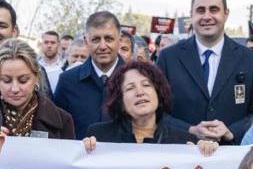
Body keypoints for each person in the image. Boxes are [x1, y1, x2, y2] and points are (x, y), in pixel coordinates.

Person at [157, 0, 253, 144]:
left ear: (226, 14)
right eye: (200, 10)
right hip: (183, 156)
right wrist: (190, 130)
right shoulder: (168, 58)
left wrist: (231, 132)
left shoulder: (250, 59)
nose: (207, 16)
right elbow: (156, 112)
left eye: (214, 9)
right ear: (191, 15)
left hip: (232, 156)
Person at [83, 60, 213, 149]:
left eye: (146, 85)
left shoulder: (185, 141)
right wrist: (85, 152)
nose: (140, 92)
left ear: (158, 93)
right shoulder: (99, 136)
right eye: (130, 88)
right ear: (120, 101)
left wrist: (206, 155)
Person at [55, 12, 125, 137]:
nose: (103, 46)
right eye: (96, 39)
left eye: (109, 39)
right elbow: (57, 128)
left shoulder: (137, 80)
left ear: (119, 40)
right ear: (86, 41)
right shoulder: (68, 81)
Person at [0, 38, 75, 139]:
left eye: (23, 80)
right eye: (6, 80)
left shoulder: (62, 120)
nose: (15, 89)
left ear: (36, 78)